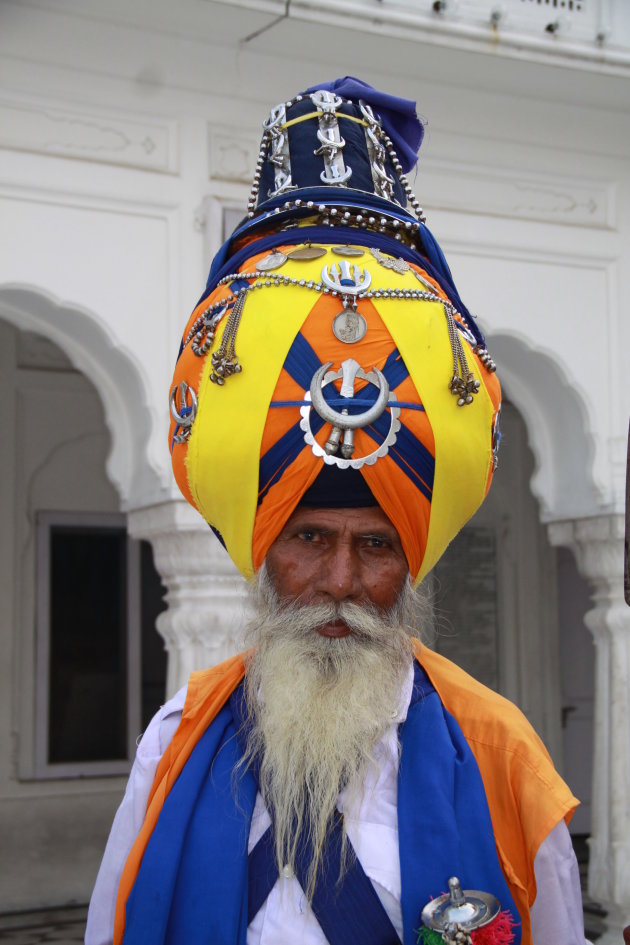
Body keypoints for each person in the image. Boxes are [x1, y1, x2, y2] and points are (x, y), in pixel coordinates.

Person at [86, 79, 590, 945]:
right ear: (262, 547)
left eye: (376, 545)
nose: (340, 581)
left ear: (415, 560)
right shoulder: (177, 739)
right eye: (310, 538)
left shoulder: (501, 753)